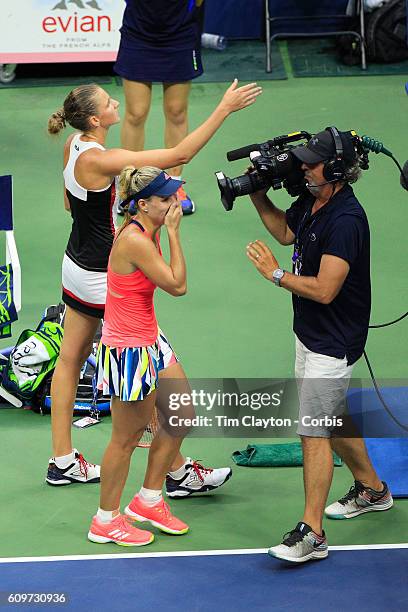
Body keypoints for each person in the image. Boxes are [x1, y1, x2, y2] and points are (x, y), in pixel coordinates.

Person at [46, 79, 262, 492]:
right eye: (109, 103)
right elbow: (179, 155)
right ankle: (178, 471)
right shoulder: (102, 159)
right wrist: (224, 108)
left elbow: (69, 204)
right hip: (104, 279)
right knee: (154, 367)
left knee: (71, 357)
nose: (116, 104)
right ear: (96, 119)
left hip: (75, 264)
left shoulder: (73, 145)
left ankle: (62, 460)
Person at [246, 127, 393, 564]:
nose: (304, 167)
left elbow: (327, 289)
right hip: (309, 332)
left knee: (313, 430)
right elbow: (286, 234)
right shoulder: (313, 198)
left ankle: (313, 533)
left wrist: (275, 275)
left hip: (334, 338)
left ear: (336, 169)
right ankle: (372, 488)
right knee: (331, 413)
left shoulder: (347, 219)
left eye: (312, 162)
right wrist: (255, 192)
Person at [89, 165, 195, 545]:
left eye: (173, 197)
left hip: (151, 339)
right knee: (126, 437)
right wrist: (175, 232)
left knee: (181, 412)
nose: (173, 203)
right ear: (142, 204)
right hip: (129, 350)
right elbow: (177, 285)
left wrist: (165, 228)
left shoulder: (145, 229)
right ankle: (105, 520)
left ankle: (148, 499)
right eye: (165, 199)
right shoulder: (137, 240)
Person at [115, 0, 206, 215]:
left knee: (176, 111)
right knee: (136, 113)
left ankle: (174, 186)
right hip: (138, 33)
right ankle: (130, 186)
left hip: (180, 34)